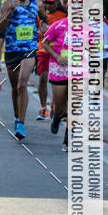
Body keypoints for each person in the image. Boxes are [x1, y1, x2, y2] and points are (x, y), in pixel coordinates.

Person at [0, 0, 48, 139]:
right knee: (15, 89)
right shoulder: (8, 3)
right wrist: (10, 13)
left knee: (22, 85)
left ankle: (21, 123)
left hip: (29, 50)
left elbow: (45, 19)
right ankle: (16, 116)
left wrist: (44, 27)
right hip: (12, 51)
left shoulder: (37, 4)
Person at [40, 13, 72, 151]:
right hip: (59, 69)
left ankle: (67, 140)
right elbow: (44, 42)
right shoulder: (58, 25)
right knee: (60, 107)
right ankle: (57, 118)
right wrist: (56, 56)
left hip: (78, 71)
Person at [36, 0, 67, 120]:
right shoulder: (38, 15)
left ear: (57, 2)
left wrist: (48, 29)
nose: (48, 5)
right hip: (43, 50)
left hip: (58, 53)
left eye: (51, 2)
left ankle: (55, 106)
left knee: (57, 82)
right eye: (46, 2)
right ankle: (43, 108)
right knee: (43, 79)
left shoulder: (63, 14)